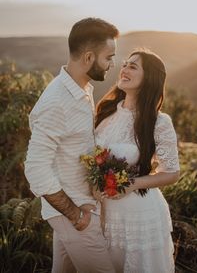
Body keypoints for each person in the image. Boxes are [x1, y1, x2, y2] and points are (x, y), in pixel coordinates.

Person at [24, 17, 119, 273]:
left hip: (81, 207)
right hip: (73, 212)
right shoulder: (56, 101)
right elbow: (36, 169)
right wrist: (75, 215)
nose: (112, 64)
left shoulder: (82, 88)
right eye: (108, 57)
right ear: (88, 58)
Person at [95, 49, 180, 273]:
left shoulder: (158, 122)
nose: (124, 69)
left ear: (148, 78)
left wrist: (132, 184)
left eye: (133, 66)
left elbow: (172, 173)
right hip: (102, 210)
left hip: (138, 215)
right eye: (125, 64)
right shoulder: (106, 110)